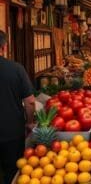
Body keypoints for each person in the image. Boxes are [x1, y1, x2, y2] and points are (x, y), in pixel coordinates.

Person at [0, 30, 35, 183]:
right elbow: (30, 102)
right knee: (12, 173)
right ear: (4, 46)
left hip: (11, 133)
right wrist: (29, 122)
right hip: (12, 133)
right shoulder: (16, 69)